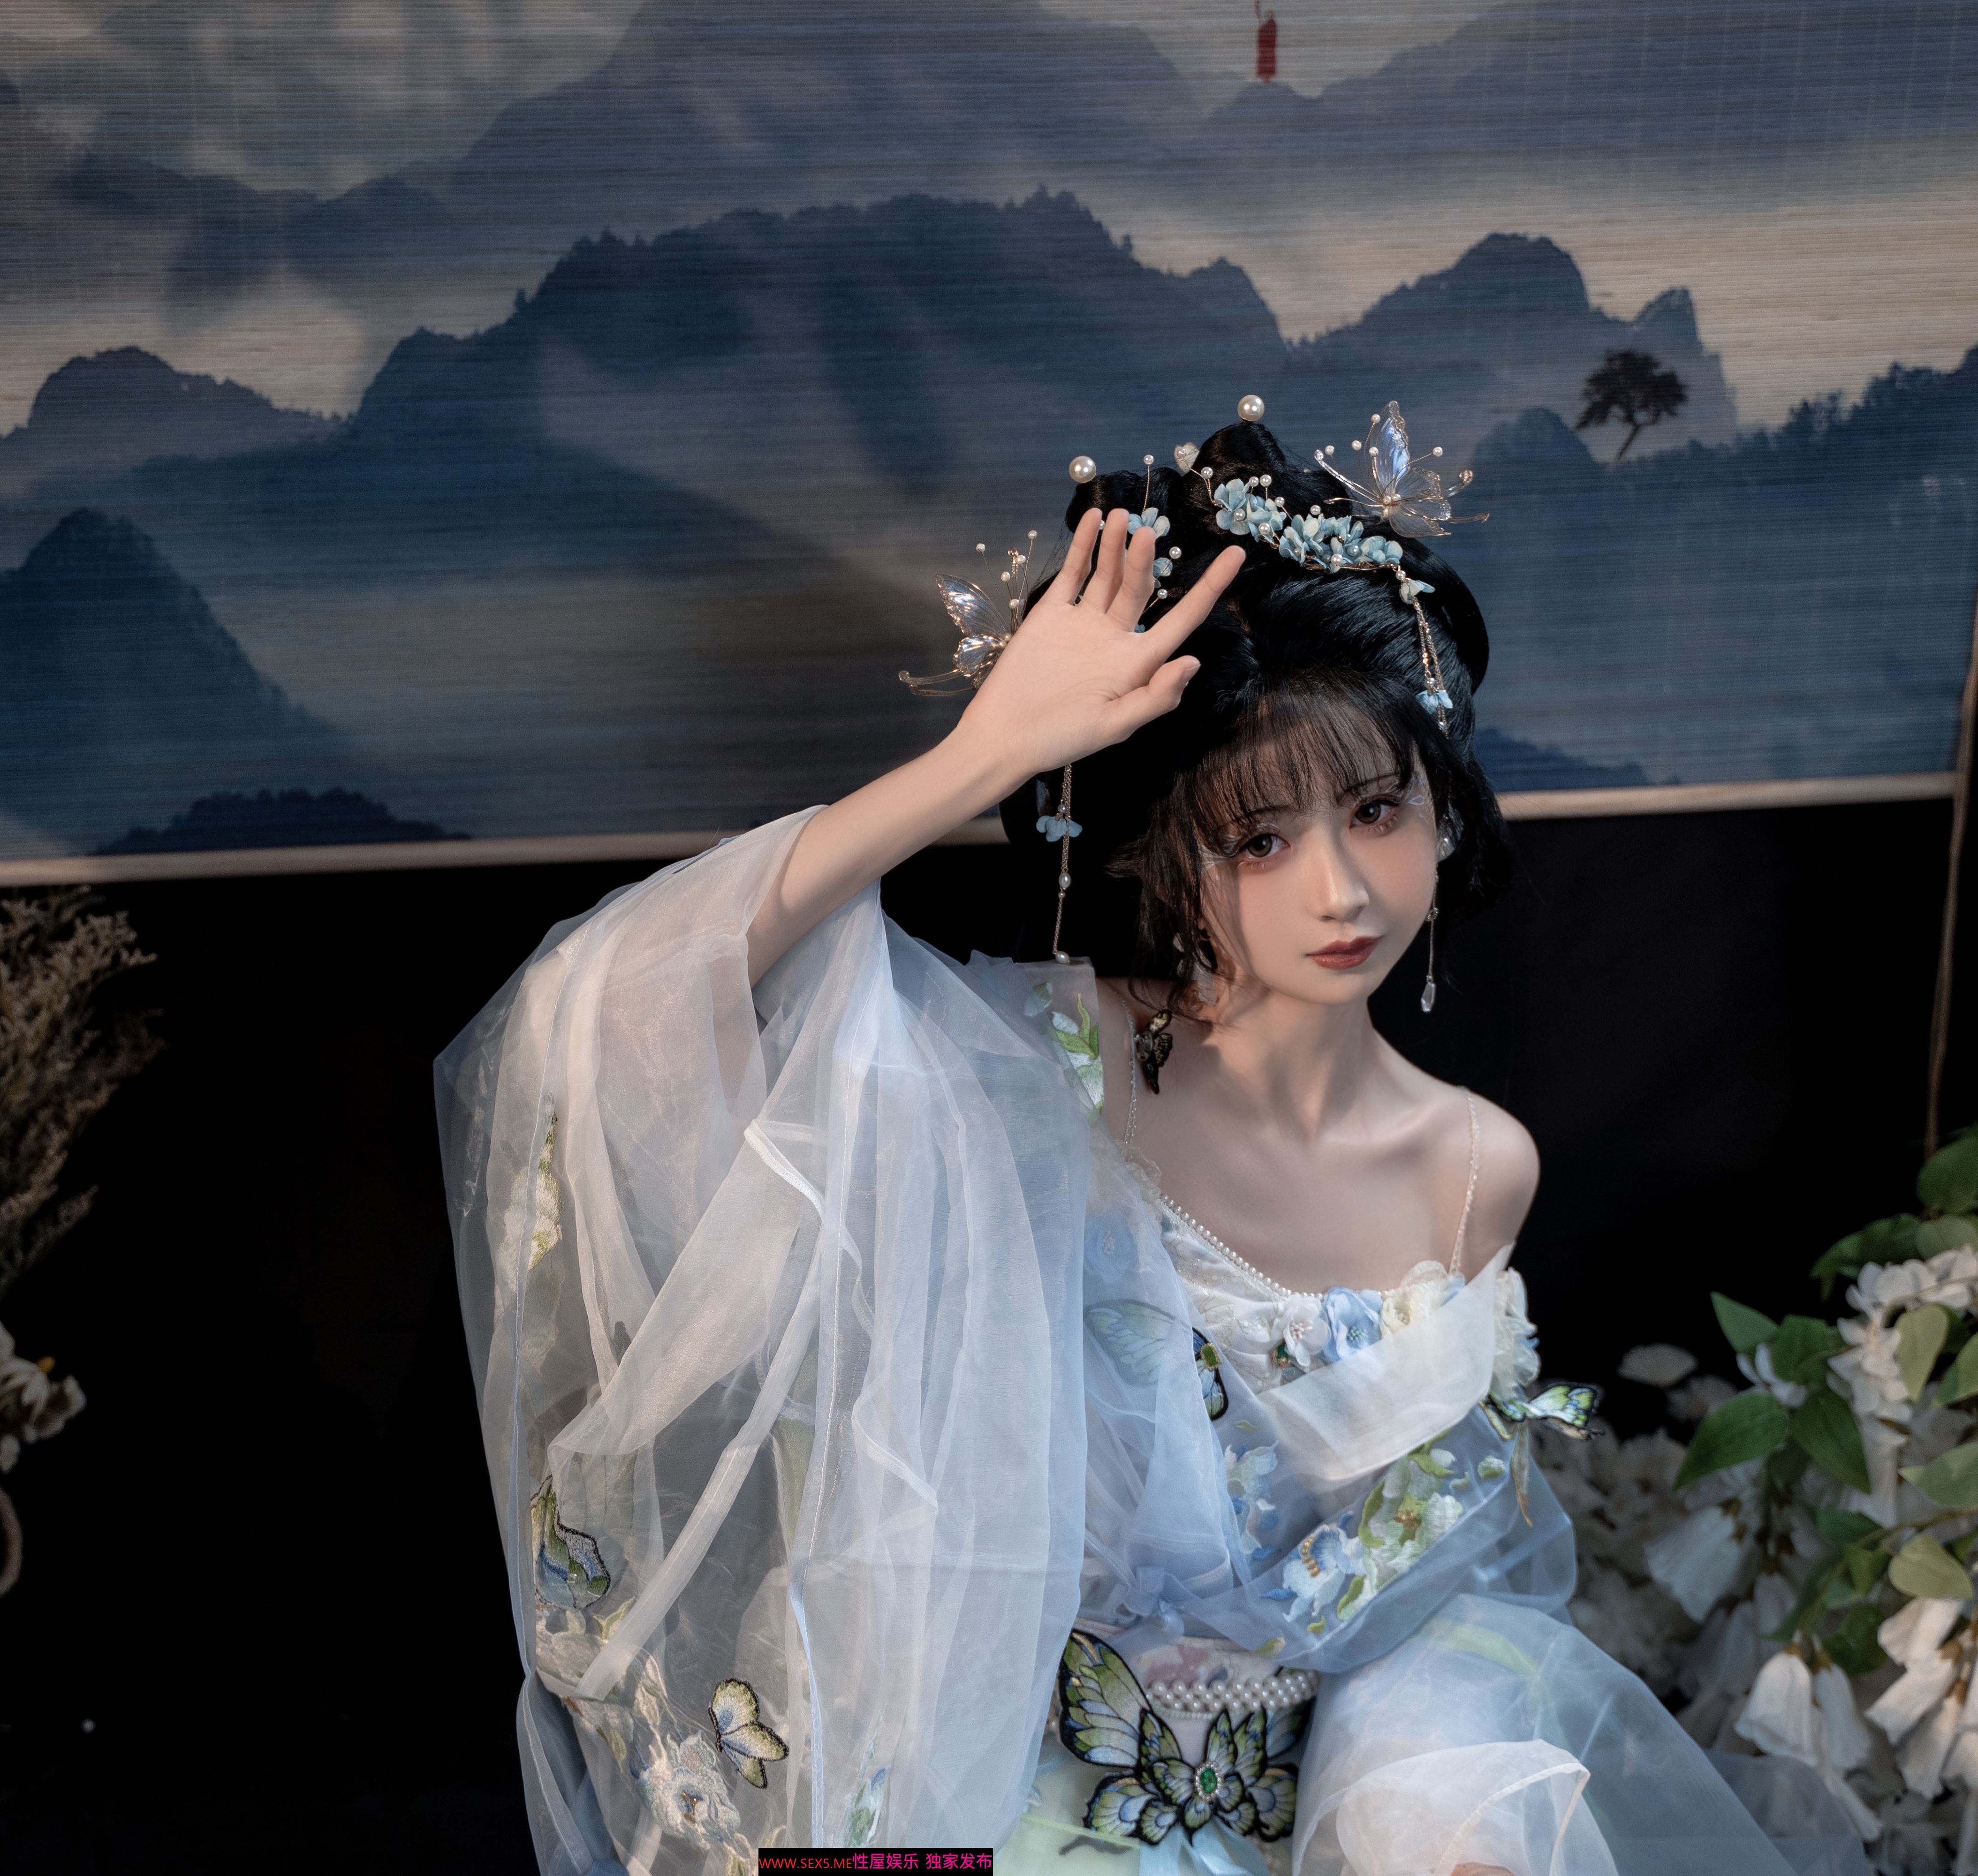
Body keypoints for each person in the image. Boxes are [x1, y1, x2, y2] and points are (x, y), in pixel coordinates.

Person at [440, 405, 1864, 1874]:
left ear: (1444, 813)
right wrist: (982, 758)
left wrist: (1435, 1811)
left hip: (1341, 1813)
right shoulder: (1021, 1073)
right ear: (1155, 851)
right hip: (996, 1792)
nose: (1339, 890)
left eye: (1377, 810)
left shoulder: (1474, 1165)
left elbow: (1446, 1600)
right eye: (1259, 838)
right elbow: (621, 1032)